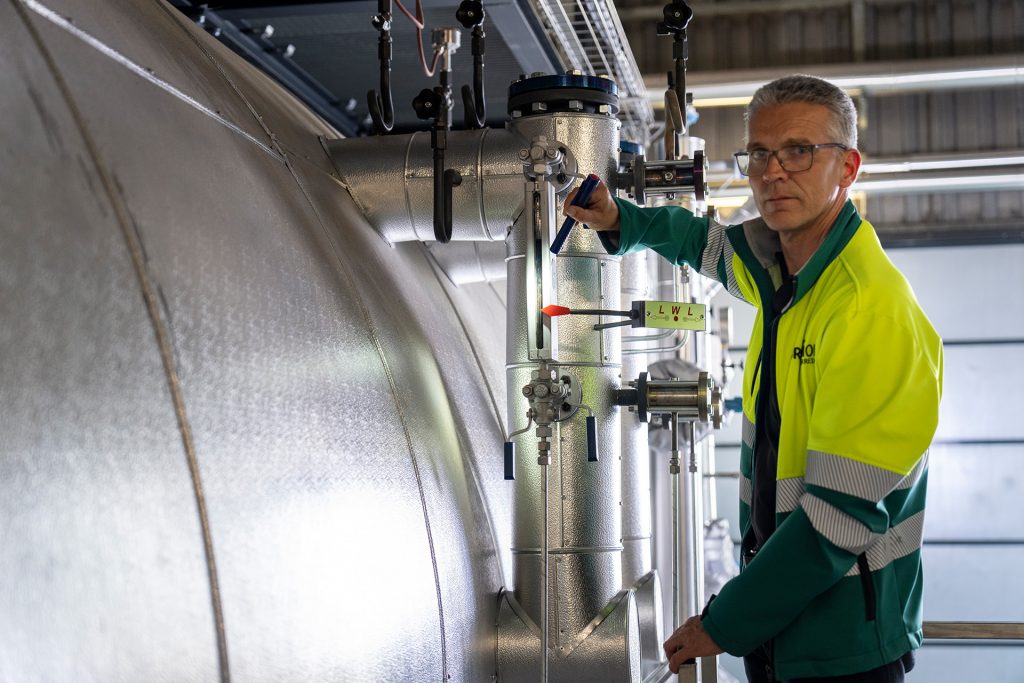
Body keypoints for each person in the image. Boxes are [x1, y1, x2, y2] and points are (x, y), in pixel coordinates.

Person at [564, 75, 943, 682]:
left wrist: (726, 623)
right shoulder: (785, 276)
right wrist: (618, 219)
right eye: (760, 154)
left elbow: (837, 519)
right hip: (783, 630)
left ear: (847, 168)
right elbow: (704, 245)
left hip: (845, 643)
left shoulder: (870, 312)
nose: (773, 172)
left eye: (799, 151)